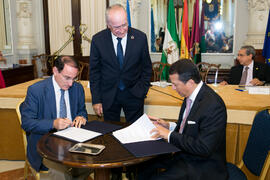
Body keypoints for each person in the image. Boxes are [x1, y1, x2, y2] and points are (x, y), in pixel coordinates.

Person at [138, 59, 228, 180]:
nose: (173, 88)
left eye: (175, 84)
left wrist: (169, 135)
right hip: (185, 155)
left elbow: (204, 148)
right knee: (143, 166)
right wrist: (168, 126)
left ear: (190, 82)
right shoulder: (190, 95)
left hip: (203, 165)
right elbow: (190, 128)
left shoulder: (213, 105)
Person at [20, 56, 91, 180]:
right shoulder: (36, 90)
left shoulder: (77, 88)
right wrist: (53, 124)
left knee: (93, 163)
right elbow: (27, 123)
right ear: (55, 71)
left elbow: (82, 110)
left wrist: (81, 117)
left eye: (74, 78)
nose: (71, 83)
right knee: (60, 174)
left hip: (73, 142)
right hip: (45, 145)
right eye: (67, 78)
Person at [89, 4, 152, 123]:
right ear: (108, 25)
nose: (122, 30)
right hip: (109, 96)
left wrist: (142, 90)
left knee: (136, 132)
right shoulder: (98, 40)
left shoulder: (140, 38)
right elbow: (94, 72)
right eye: (117, 27)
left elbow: (147, 68)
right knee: (111, 132)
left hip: (134, 94)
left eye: (124, 24)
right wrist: (96, 100)